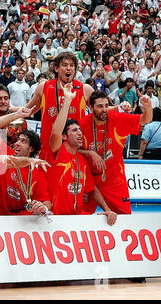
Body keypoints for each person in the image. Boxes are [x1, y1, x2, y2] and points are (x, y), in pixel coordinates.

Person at [48, 83, 117, 225]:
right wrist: (67, 101)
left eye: (79, 130)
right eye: (74, 130)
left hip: (77, 219)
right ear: (64, 137)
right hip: (55, 219)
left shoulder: (82, 160)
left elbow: (92, 189)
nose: (79, 133)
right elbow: (56, 132)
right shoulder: (56, 153)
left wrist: (107, 209)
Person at [79, 90, 152, 215]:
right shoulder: (82, 124)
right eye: (100, 106)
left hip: (114, 181)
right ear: (91, 107)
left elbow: (144, 120)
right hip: (90, 181)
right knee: (77, 218)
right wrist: (90, 153)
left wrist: (148, 107)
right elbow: (70, 148)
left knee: (125, 218)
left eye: (107, 105)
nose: (105, 110)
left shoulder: (117, 119)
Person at [23, 52, 94, 160]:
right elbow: (26, 110)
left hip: (74, 153)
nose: (68, 68)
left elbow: (103, 109)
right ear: (56, 68)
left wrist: (121, 107)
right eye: (64, 65)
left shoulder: (85, 89)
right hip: (48, 151)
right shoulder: (44, 87)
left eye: (71, 65)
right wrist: (3, 109)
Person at [0, 109, 51, 216]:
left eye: (23, 141)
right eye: (17, 140)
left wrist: (43, 208)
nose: (17, 143)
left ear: (31, 148)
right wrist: (17, 114)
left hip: (16, 226)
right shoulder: (6, 153)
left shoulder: (37, 175)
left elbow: (46, 202)